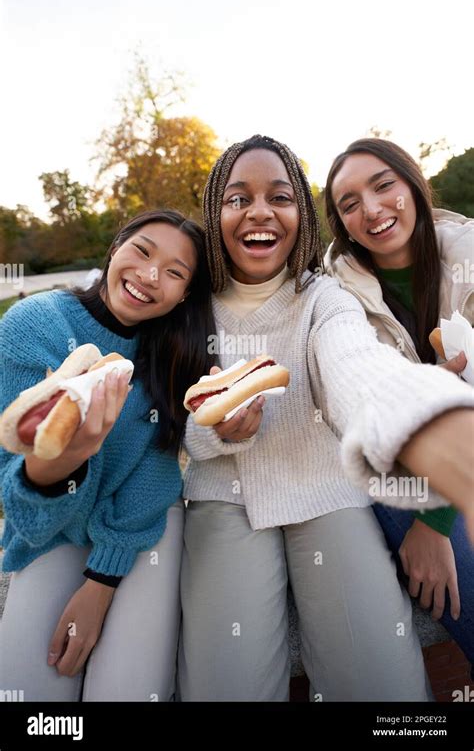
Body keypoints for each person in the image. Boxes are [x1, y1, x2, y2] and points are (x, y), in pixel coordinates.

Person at [177, 134, 474, 702]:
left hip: (327, 489)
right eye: (238, 198)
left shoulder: (327, 298)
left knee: (381, 681)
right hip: (222, 495)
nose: (259, 211)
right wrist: (212, 431)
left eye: (280, 197)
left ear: (301, 217)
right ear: (217, 212)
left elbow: (352, 364)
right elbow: (172, 420)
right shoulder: (189, 305)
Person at [0, 209, 215, 701]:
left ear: (185, 294)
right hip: (51, 530)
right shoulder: (34, 325)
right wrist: (68, 459)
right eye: (141, 251)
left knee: (127, 690)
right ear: (116, 247)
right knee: (31, 697)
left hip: (140, 529)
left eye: (176, 272)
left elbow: (156, 473)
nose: (149, 275)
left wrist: (103, 579)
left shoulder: (171, 354)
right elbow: (24, 511)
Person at [324, 137, 474, 676]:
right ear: (342, 223)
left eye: (383, 185)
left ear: (412, 184)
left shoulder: (469, 256)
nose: (372, 209)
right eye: (349, 203)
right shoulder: (337, 297)